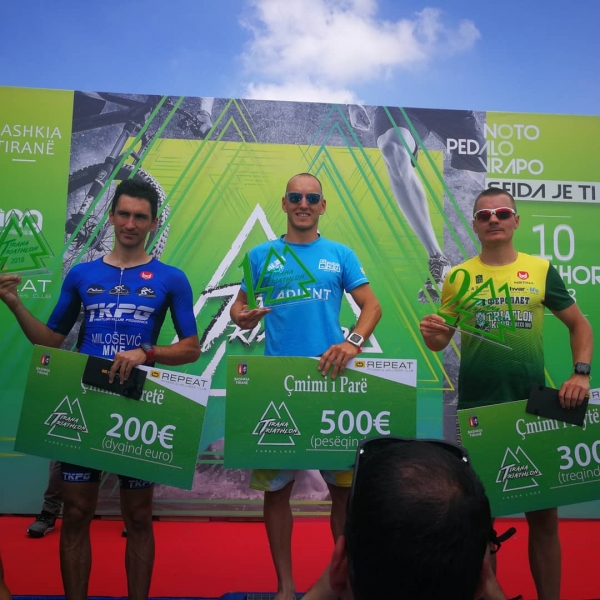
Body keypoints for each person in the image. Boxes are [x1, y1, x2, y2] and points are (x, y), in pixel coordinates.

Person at [0, 179, 201, 600]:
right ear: (110, 216)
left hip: (137, 408)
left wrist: (146, 352)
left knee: (139, 517)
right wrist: (14, 302)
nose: (130, 223)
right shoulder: (82, 274)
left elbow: (190, 348)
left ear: (154, 223)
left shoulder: (171, 278)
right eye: (123, 214)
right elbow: (50, 342)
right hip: (85, 404)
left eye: (140, 217)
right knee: (75, 513)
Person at [419, 187, 593, 600]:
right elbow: (439, 342)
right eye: (484, 215)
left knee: (544, 520)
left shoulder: (540, 269)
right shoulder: (458, 277)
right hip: (478, 412)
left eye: (501, 212)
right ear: (475, 225)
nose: (493, 219)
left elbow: (579, 325)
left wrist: (581, 373)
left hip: (534, 406)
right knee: (481, 522)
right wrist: (432, 332)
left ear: (516, 220)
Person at [230, 173, 382, 600]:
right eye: (295, 197)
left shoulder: (340, 254)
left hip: (332, 384)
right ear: (284, 203)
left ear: (322, 206)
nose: (303, 203)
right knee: (277, 493)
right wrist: (240, 317)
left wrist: (352, 342)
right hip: (276, 388)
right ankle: (285, 587)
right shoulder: (261, 255)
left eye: (312, 198)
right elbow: (239, 307)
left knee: (345, 494)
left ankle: (344, 585)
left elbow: (372, 306)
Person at [302, 437, 503, 600]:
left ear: (339, 569)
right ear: (482, 581)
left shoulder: (340, 573)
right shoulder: (481, 581)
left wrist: (319, 592)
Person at [349, 105, 487, 303]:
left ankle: (506, 258)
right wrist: (351, 102)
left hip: (451, 104)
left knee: (490, 177)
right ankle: (438, 260)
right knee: (392, 148)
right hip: (401, 102)